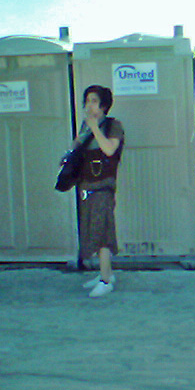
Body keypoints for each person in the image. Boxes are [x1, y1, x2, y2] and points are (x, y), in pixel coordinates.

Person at [73, 85, 124, 298]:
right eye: (87, 101)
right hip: (87, 186)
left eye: (94, 101)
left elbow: (110, 149)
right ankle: (106, 274)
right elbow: (76, 149)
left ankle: (105, 281)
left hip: (103, 185)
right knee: (93, 229)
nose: (89, 105)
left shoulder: (113, 126)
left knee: (102, 232)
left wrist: (94, 127)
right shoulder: (87, 126)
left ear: (103, 105)